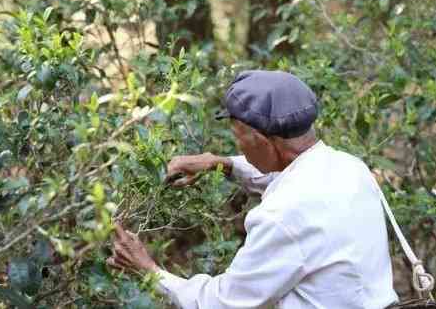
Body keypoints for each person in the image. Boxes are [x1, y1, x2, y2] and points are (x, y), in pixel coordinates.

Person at [108, 70, 399, 309]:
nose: (238, 146)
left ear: (261, 139)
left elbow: (221, 304)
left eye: (238, 137)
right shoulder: (350, 167)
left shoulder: (283, 215)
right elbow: (286, 177)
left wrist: (149, 271)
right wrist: (220, 164)